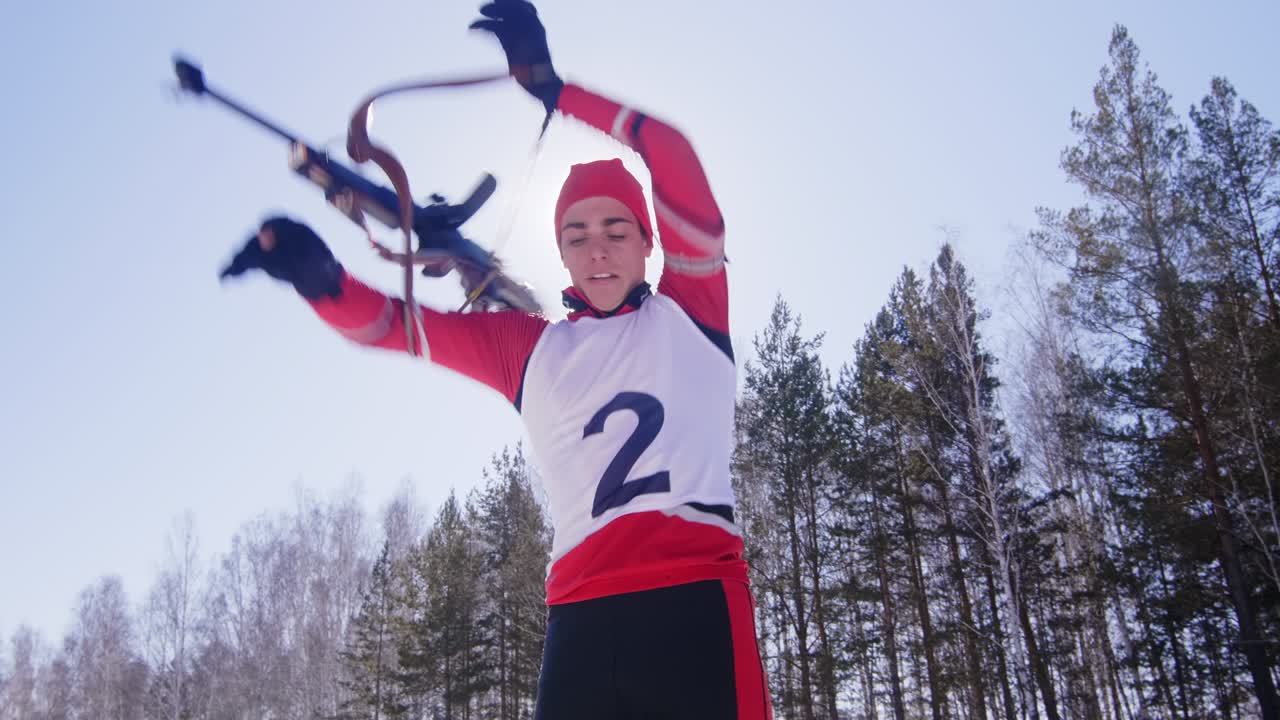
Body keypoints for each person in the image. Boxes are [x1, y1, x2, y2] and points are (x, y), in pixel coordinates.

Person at [220, 1, 771, 717]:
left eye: (615, 229)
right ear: (562, 251)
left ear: (648, 240)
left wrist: (552, 90)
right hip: (579, 618)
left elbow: (670, 154)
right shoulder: (528, 347)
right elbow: (396, 327)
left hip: (693, 603)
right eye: (576, 234)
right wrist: (320, 282)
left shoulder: (693, 307)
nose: (597, 247)